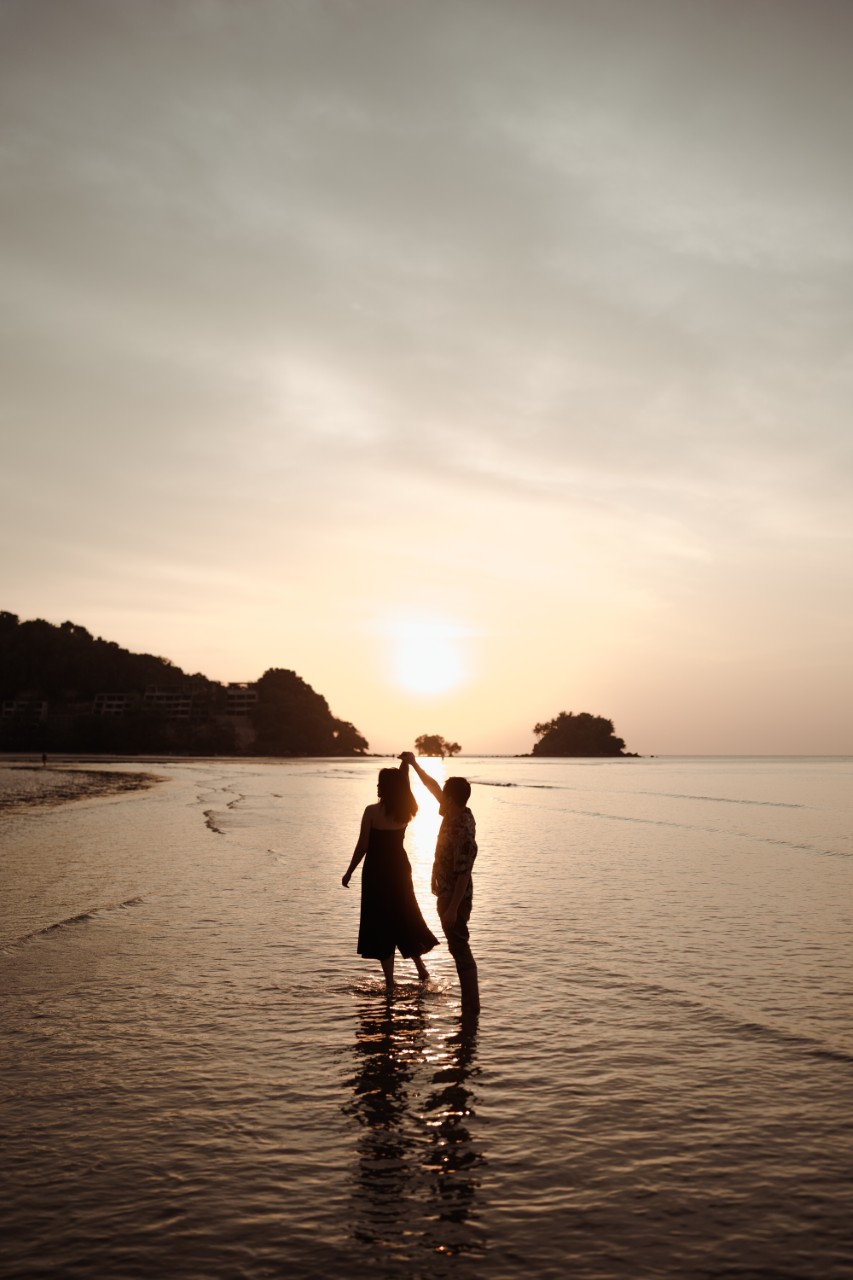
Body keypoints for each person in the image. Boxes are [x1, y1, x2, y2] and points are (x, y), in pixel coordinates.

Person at [342, 761, 438, 990]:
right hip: (399, 869)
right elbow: (406, 789)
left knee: (380, 922)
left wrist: (349, 871)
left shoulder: (371, 811)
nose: (377, 787)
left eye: (380, 783)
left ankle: (389, 983)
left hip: (376, 871)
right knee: (404, 915)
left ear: (386, 787)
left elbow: (363, 846)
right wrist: (406, 765)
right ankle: (421, 969)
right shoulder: (407, 811)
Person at [400, 752, 480, 1015]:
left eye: (445, 795)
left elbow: (464, 873)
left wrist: (452, 909)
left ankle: (471, 1007)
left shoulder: (463, 829)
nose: (440, 797)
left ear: (453, 799)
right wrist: (414, 764)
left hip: (455, 898)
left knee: (460, 948)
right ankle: (469, 1008)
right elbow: (432, 786)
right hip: (446, 894)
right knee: (458, 948)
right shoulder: (453, 812)